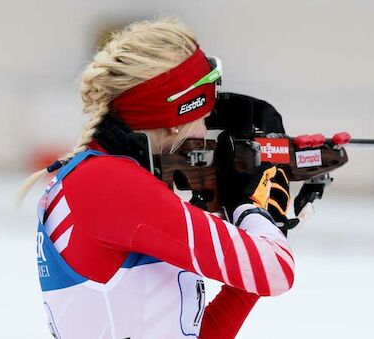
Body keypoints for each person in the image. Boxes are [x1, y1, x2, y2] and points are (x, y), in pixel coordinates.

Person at [20, 18, 295, 339]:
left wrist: (261, 229)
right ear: (177, 117)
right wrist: (250, 211)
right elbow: (276, 270)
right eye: (203, 116)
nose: (206, 131)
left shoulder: (95, 177)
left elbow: (194, 333)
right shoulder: (113, 186)